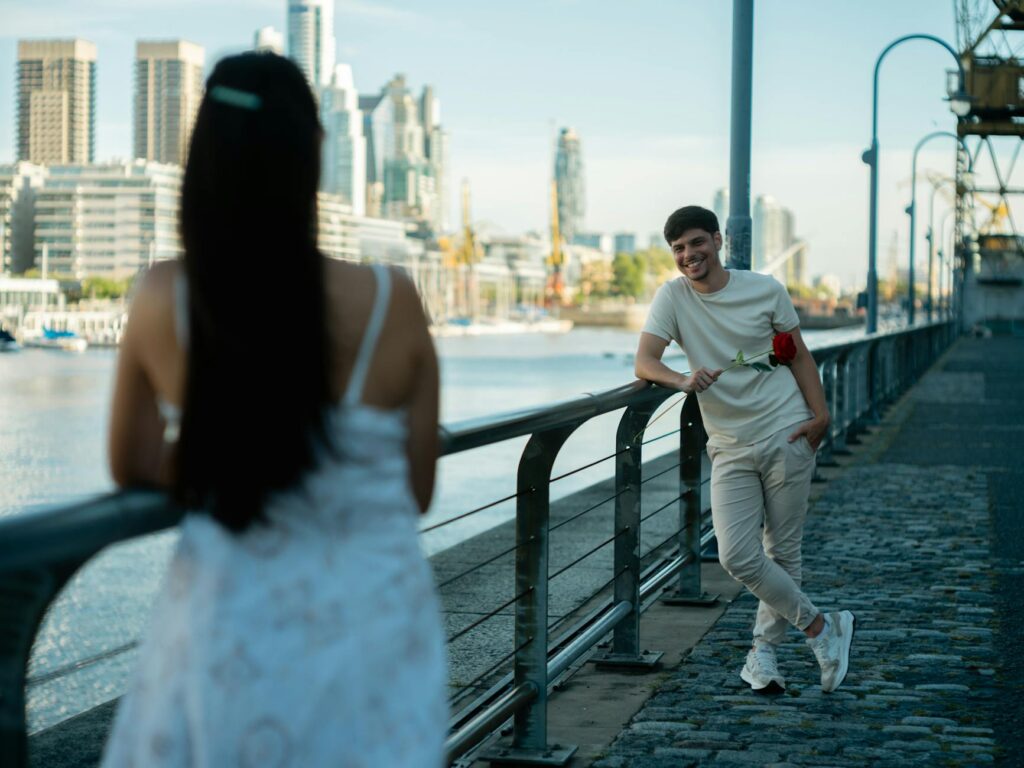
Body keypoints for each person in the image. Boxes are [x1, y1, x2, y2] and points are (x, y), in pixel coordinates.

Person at [102, 53, 447, 766]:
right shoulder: (392, 300)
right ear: (314, 155)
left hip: (230, 624)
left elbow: (132, 462)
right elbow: (415, 491)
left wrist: (231, 446)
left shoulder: (164, 295)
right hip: (375, 625)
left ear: (204, 155)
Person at [635, 205, 854, 694]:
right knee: (735, 554)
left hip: (785, 429)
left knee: (783, 550)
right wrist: (682, 379)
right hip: (729, 443)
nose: (688, 255)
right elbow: (645, 361)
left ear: (718, 241)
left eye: (697, 242)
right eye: (678, 248)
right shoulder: (673, 297)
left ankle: (764, 655)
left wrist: (821, 417)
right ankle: (822, 628)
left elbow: (797, 354)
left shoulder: (765, 289)